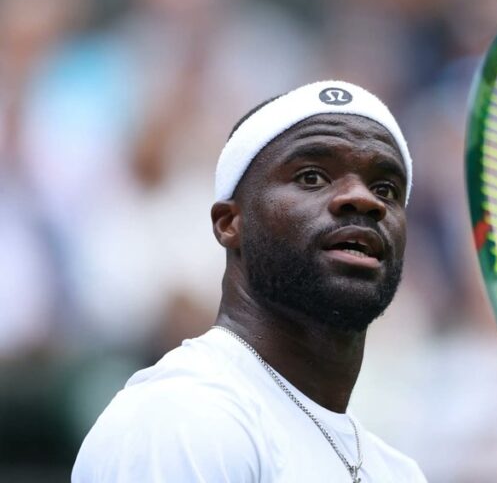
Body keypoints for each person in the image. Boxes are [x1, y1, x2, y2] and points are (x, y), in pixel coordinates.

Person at [72, 80, 427, 482]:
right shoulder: (184, 417)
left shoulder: (399, 472)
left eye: (386, 188)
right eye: (312, 177)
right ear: (229, 224)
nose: (364, 199)